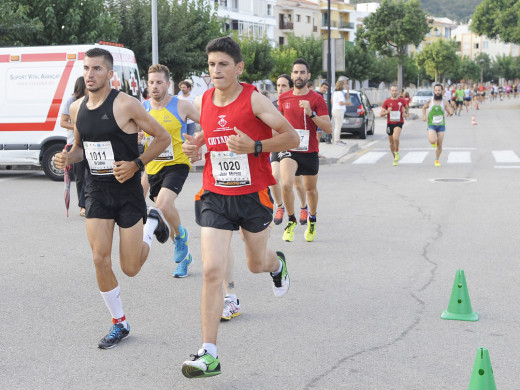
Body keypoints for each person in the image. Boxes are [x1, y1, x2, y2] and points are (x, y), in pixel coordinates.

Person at [180, 36, 299, 378]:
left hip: (253, 197)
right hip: (215, 195)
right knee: (212, 270)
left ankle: (276, 265)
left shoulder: (254, 100)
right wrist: (198, 145)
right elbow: (210, 128)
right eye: (211, 64)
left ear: (239, 68)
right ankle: (209, 353)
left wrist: (256, 146)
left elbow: (291, 137)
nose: (215, 71)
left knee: (255, 263)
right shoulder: (204, 98)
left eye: (223, 65)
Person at [54, 48, 171, 349]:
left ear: (109, 74)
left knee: (130, 267)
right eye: (86, 69)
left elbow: (162, 138)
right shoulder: (78, 108)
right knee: (99, 258)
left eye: (96, 69)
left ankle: (152, 222)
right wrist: (66, 157)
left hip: (127, 192)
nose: (90, 74)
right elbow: (80, 149)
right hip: (96, 191)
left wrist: (136, 164)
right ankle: (119, 322)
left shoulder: (126, 104)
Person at [143, 64, 201, 277]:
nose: (154, 86)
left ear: (168, 84)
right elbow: (134, 134)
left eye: (159, 82)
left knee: (163, 203)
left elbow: (207, 123)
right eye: (151, 82)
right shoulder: (142, 108)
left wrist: (198, 143)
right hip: (152, 166)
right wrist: (137, 138)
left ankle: (181, 236)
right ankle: (184, 256)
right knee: (161, 213)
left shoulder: (182, 106)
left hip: (177, 163)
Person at [278, 58, 332, 242]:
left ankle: (312, 219)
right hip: (290, 149)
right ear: (292, 75)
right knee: (286, 184)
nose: (298, 75)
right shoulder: (283, 98)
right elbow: (279, 123)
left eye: (302, 72)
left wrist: (312, 113)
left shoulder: (316, 99)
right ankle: (291, 220)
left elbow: (328, 128)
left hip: (309, 151)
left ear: (308, 76)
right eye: (295, 72)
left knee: (310, 190)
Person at [271, 74, 308, 226]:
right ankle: (280, 207)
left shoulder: (296, 103)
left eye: (283, 86)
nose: (280, 89)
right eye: (278, 86)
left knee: (297, 184)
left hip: (294, 147)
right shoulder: (272, 105)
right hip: (277, 145)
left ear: (291, 87)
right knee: (273, 177)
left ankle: (304, 206)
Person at [60, 76, 87, 217]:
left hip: (90, 143)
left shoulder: (92, 100)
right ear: (81, 88)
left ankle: (89, 202)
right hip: (74, 143)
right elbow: (63, 122)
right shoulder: (71, 102)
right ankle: (82, 206)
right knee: (80, 176)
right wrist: (77, 127)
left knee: (91, 175)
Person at [422, 83, 453, 167]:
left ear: (442, 91)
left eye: (439, 90)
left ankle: (437, 159)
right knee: (432, 140)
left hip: (441, 125)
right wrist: (424, 116)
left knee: (440, 145)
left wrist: (450, 112)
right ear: (434, 91)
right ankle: (433, 142)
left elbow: (449, 110)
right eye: (436, 90)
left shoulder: (445, 101)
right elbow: (424, 108)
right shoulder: (430, 100)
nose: (437, 92)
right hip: (431, 124)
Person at [381, 85, 407, 166]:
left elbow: (406, 108)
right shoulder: (386, 102)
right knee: (391, 142)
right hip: (390, 123)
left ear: (398, 91)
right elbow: (381, 114)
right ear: (390, 91)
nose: (394, 92)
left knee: (396, 138)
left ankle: (397, 151)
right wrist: (387, 112)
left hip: (399, 122)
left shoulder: (402, 100)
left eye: (395, 90)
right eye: (393, 90)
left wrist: (405, 113)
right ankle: (395, 156)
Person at [331, 78, 350, 145]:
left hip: (335, 110)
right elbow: (341, 103)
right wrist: (347, 103)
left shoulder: (336, 92)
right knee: (338, 126)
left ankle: (337, 140)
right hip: (339, 110)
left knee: (337, 126)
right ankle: (337, 141)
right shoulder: (340, 93)